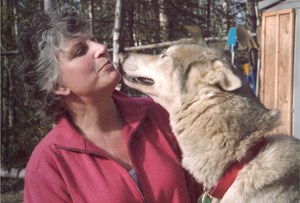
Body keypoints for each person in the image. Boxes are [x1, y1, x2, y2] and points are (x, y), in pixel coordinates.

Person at [19, 7, 202, 203]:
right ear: (57, 85)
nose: (100, 48)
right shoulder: (48, 166)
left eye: (94, 39)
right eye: (80, 50)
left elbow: (208, 189)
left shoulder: (160, 114)